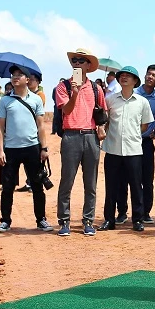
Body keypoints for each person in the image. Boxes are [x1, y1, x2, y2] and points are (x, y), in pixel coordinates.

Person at [0, 65, 52, 233]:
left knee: (37, 186)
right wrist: (0, 150)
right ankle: (5, 220)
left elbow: (41, 126)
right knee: (7, 187)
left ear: (28, 79)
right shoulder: (4, 100)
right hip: (10, 149)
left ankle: (41, 220)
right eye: (13, 74)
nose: (15, 77)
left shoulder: (36, 100)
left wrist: (44, 148)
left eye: (20, 75)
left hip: (32, 148)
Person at [55, 48, 107, 236]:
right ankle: (64, 221)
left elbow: (103, 112)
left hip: (91, 136)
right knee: (67, 180)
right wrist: (75, 92)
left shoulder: (96, 88)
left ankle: (88, 221)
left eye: (81, 60)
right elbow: (66, 111)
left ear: (88, 65)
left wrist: (101, 128)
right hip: (70, 136)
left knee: (90, 182)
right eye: (74, 60)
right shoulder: (63, 87)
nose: (76, 63)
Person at [98, 66, 153, 232]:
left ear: (135, 81)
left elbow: (144, 126)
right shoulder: (110, 99)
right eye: (121, 75)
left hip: (134, 150)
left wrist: (131, 134)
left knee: (136, 186)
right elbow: (105, 122)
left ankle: (137, 220)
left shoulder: (142, 102)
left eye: (128, 76)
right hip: (112, 149)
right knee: (111, 186)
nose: (124, 78)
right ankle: (109, 219)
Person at [118, 64, 155, 224]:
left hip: (145, 143)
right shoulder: (134, 92)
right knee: (124, 178)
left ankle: (145, 212)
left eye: (154, 75)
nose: (150, 77)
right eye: (148, 74)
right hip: (128, 142)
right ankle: (122, 212)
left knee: (147, 179)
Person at [16, 72, 46, 192]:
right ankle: (29, 182)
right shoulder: (29, 95)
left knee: (35, 161)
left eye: (33, 80)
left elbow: (39, 113)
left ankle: (35, 182)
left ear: (38, 82)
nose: (30, 82)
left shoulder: (39, 95)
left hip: (34, 131)